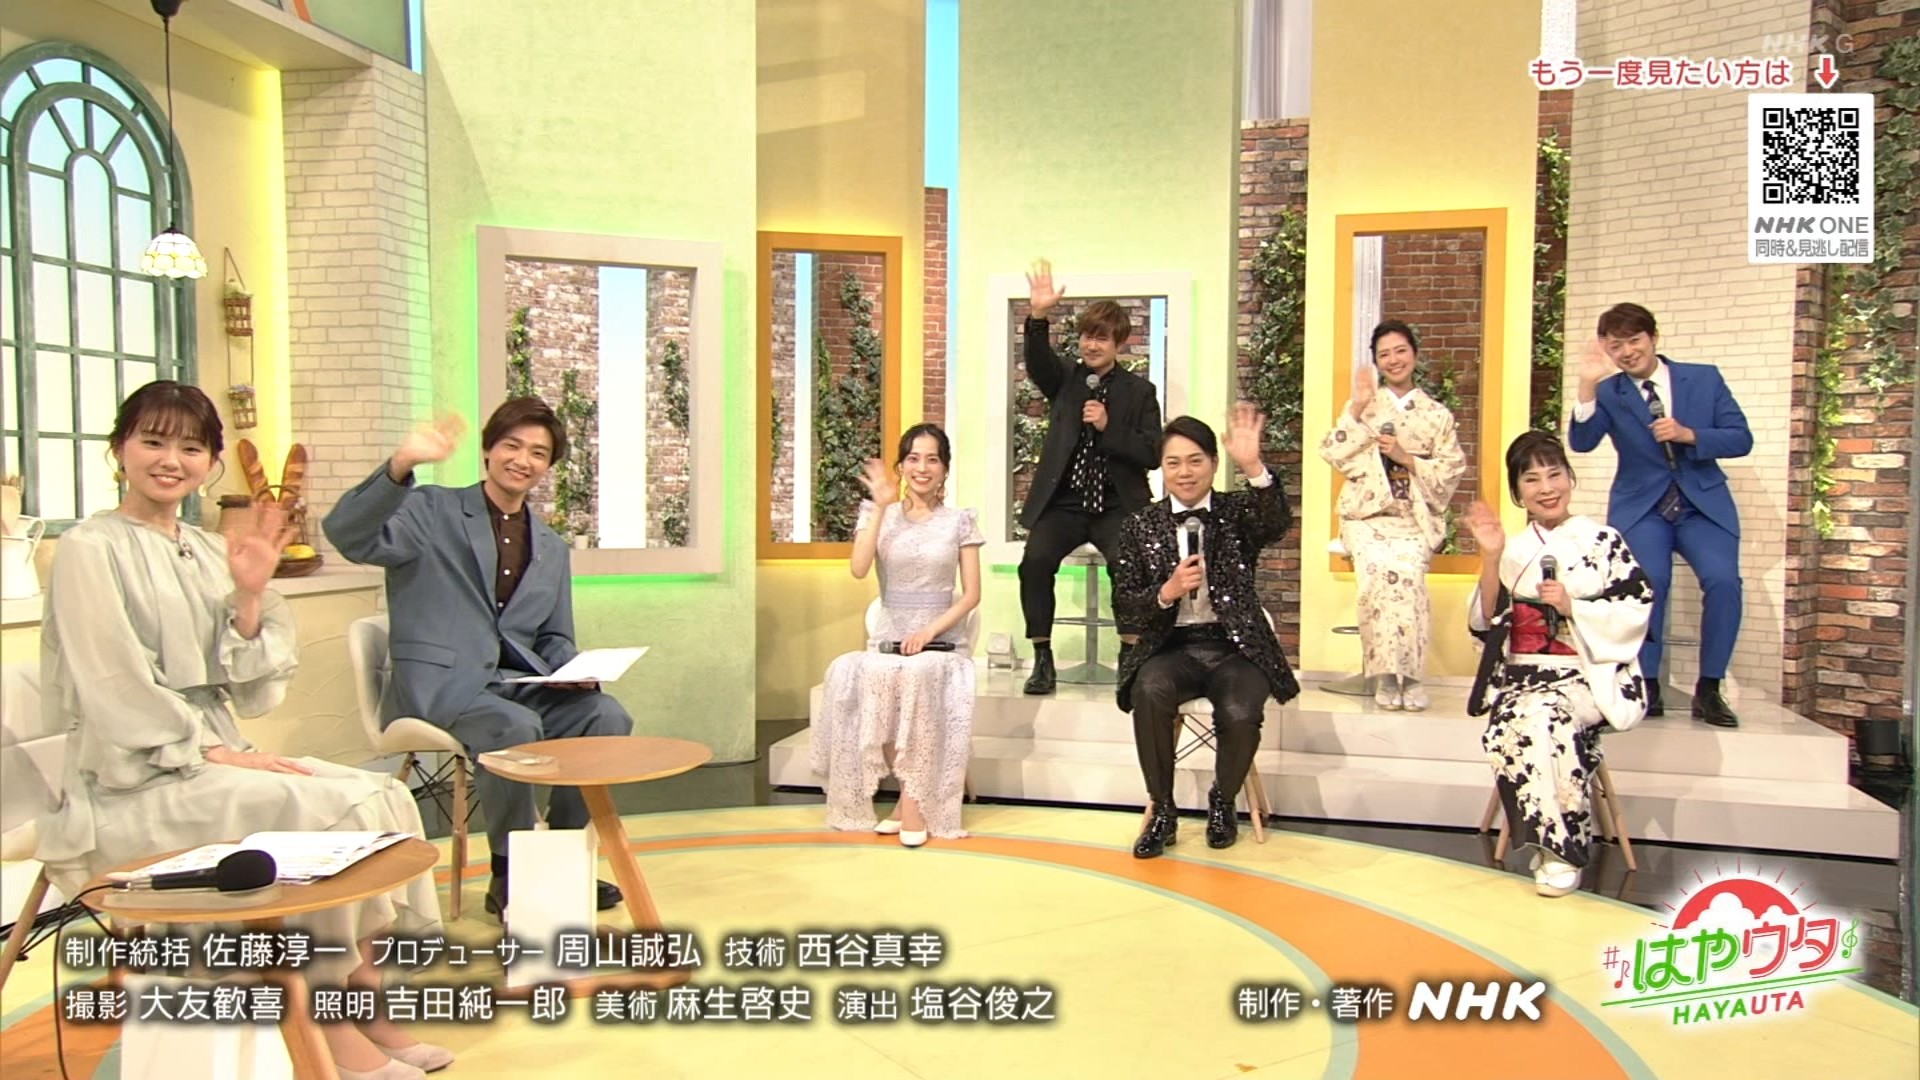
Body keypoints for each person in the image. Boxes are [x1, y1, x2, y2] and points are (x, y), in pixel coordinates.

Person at [35, 381, 451, 1080]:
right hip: (128, 776)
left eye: (191, 447)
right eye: (153, 441)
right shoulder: (87, 547)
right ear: (119, 450)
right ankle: (330, 1030)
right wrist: (214, 751)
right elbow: (112, 682)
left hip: (216, 755)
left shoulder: (205, 548)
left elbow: (251, 687)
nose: (171, 460)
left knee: (383, 798)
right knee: (323, 811)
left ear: (211, 463)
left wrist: (251, 594)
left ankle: (364, 999)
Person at [324, 398, 633, 920]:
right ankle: (509, 872)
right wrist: (401, 464)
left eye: (538, 453)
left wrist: (572, 671)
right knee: (514, 726)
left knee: (606, 716)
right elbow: (348, 536)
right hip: (441, 685)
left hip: (511, 684)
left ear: (549, 466)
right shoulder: (431, 509)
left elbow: (554, 635)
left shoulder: (552, 547)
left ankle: (557, 861)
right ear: (489, 450)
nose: (523, 460)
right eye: (512, 445)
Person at [1463, 432, 1654, 898]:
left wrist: (1574, 608)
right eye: (1532, 479)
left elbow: (1636, 608)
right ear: (1518, 491)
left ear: (1570, 477)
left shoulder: (1604, 541)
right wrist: (1491, 557)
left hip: (1585, 674)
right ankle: (1551, 845)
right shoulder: (1513, 548)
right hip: (1522, 674)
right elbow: (1487, 621)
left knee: (1544, 716)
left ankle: (1560, 852)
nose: (1546, 488)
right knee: (1518, 718)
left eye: (1554, 475)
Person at [1113, 405, 1298, 858]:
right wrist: (1167, 591)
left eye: (1196, 460)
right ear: (1161, 469)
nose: (1185, 472)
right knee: (1149, 693)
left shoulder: (1237, 512)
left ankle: (1223, 800)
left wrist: (1253, 466)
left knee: (1239, 711)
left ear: (1214, 464)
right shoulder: (1139, 525)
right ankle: (1163, 810)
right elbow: (1126, 603)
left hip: (1233, 646)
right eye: (1174, 462)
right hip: (1170, 646)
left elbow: (1276, 522)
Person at [1568, 303, 1751, 727]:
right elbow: (1582, 442)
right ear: (1606, 348)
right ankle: (1646, 685)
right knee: (1649, 583)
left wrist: (1689, 434)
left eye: (1634, 341)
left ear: (1653, 337)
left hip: (1702, 503)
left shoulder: (1703, 378)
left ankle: (1710, 688)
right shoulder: (1609, 392)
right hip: (1643, 507)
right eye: (1616, 346)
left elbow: (1740, 438)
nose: (1627, 352)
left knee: (1723, 581)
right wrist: (1587, 386)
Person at [811, 424, 984, 847]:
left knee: (916, 676)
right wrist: (880, 507)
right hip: (888, 639)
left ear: (945, 468)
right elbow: (858, 569)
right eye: (913, 458)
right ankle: (908, 802)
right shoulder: (878, 513)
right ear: (901, 466)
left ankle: (912, 808)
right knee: (850, 671)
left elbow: (971, 595)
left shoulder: (960, 521)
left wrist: (928, 631)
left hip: (941, 641)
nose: (922, 467)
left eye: (932, 459)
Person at [1016, 260, 1164, 695]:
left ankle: (1129, 655)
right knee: (1034, 563)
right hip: (1064, 504)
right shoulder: (1065, 379)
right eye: (1086, 336)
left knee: (1129, 565)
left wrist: (1108, 426)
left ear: (1119, 343)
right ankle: (1042, 658)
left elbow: (1152, 454)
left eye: (1101, 338)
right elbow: (1037, 361)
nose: (1091, 345)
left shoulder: (1140, 392)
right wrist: (1038, 315)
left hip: (1117, 504)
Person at [1318, 320, 1466, 711]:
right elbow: (1333, 452)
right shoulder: (1365, 408)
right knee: (1376, 579)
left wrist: (1406, 458)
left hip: (1412, 517)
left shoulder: (1437, 415)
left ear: (1414, 354)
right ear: (1376, 362)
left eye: (1400, 350)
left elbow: (1451, 469)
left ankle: (1412, 676)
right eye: (1384, 354)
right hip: (1366, 517)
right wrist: (1356, 407)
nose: (1394, 359)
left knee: (1410, 578)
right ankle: (1384, 674)